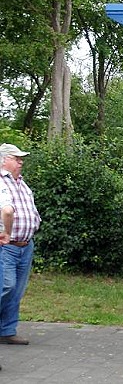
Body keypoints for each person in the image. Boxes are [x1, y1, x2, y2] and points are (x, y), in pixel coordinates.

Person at [0, 143, 41, 347]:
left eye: (21, 158)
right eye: (16, 158)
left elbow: (30, 209)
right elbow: (6, 211)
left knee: (17, 290)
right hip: (6, 246)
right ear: (4, 160)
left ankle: (7, 330)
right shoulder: (0, 183)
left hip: (26, 245)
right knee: (6, 286)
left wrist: (35, 221)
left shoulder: (22, 184)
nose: (21, 161)